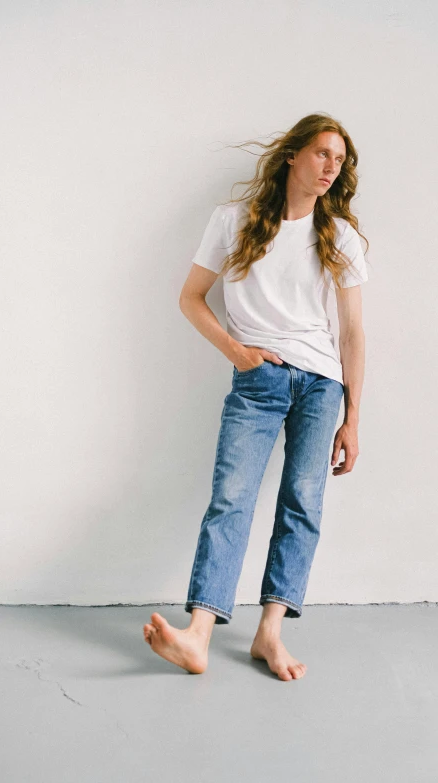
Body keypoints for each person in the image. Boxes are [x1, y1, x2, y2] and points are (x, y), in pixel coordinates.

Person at [143, 112, 369, 681]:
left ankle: (269, 633)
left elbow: (354, 333)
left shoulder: (338, 234)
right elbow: (192, 297)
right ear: (293, 155)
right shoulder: (234, 221)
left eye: (339, 160)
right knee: (232, 499)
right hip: (259, 378)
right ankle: (197, 635)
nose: (330, 168)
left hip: (321, 385)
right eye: (322, 154)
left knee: (302, 504)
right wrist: (237, 352)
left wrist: (354, 417)